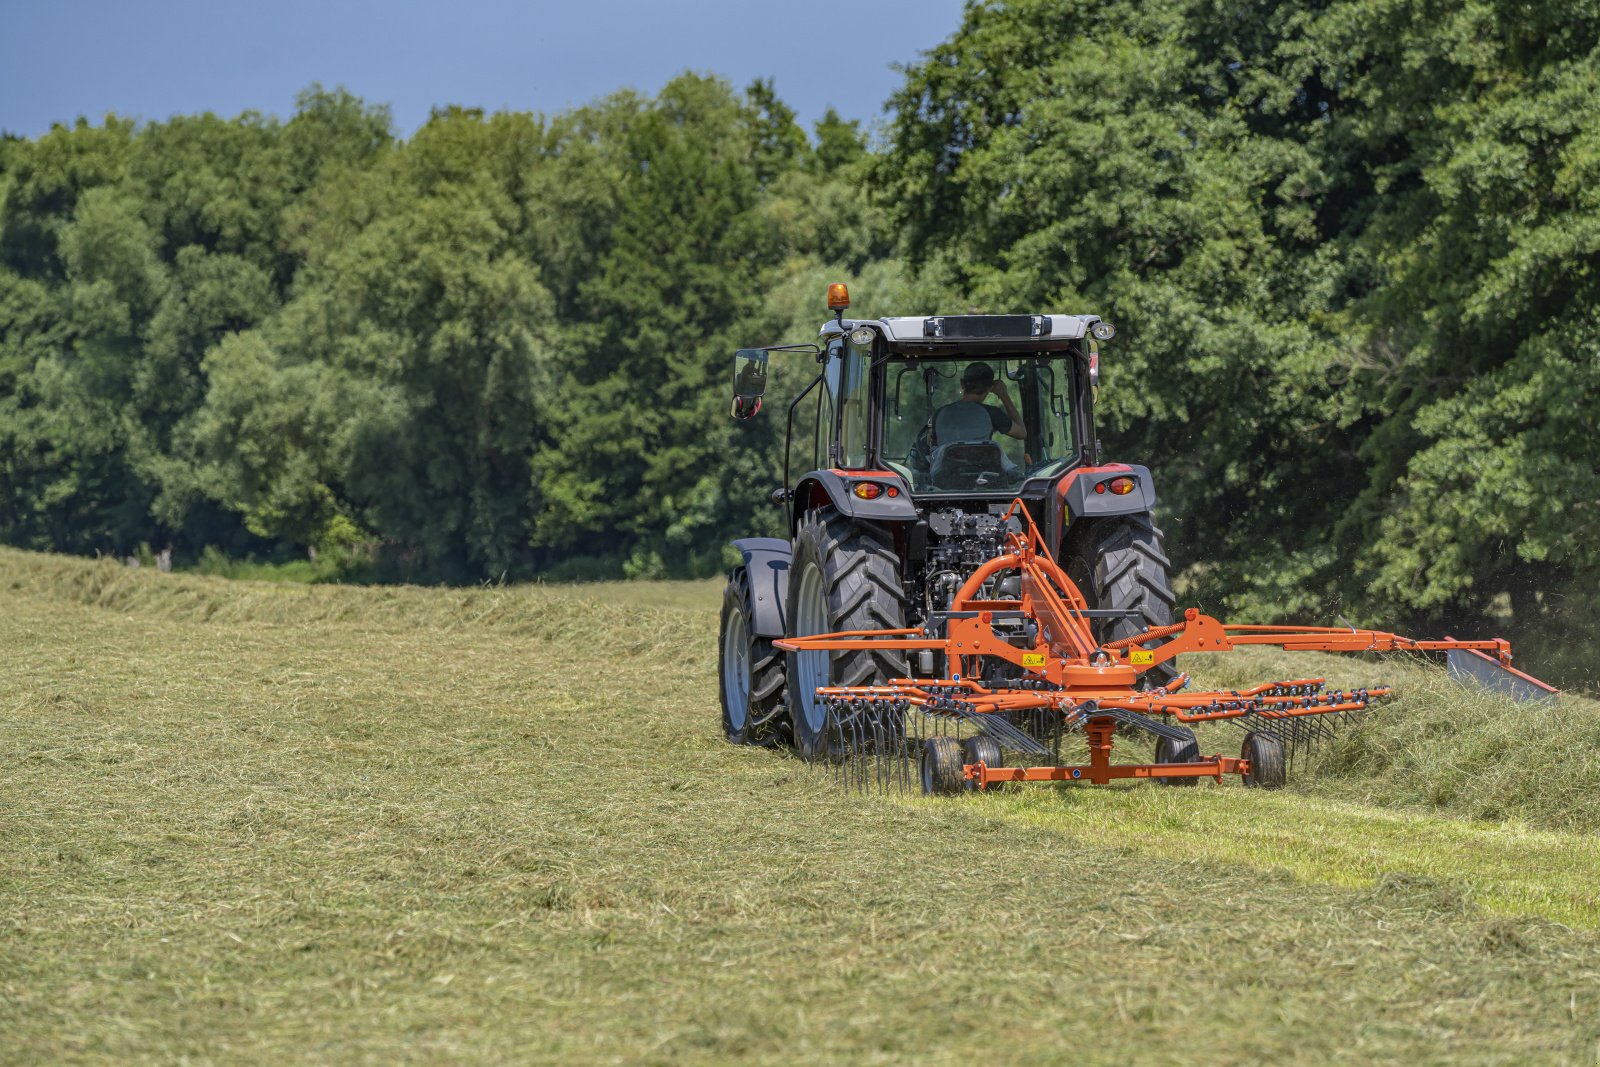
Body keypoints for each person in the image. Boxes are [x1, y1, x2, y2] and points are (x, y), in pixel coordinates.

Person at [935, 362, 1027, 444]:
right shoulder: (993, 414)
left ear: (962, 383)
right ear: (990, 388)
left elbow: (928, 442)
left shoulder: (941, 413)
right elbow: (1022, 433)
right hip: (982, 463)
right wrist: (1004, 395)